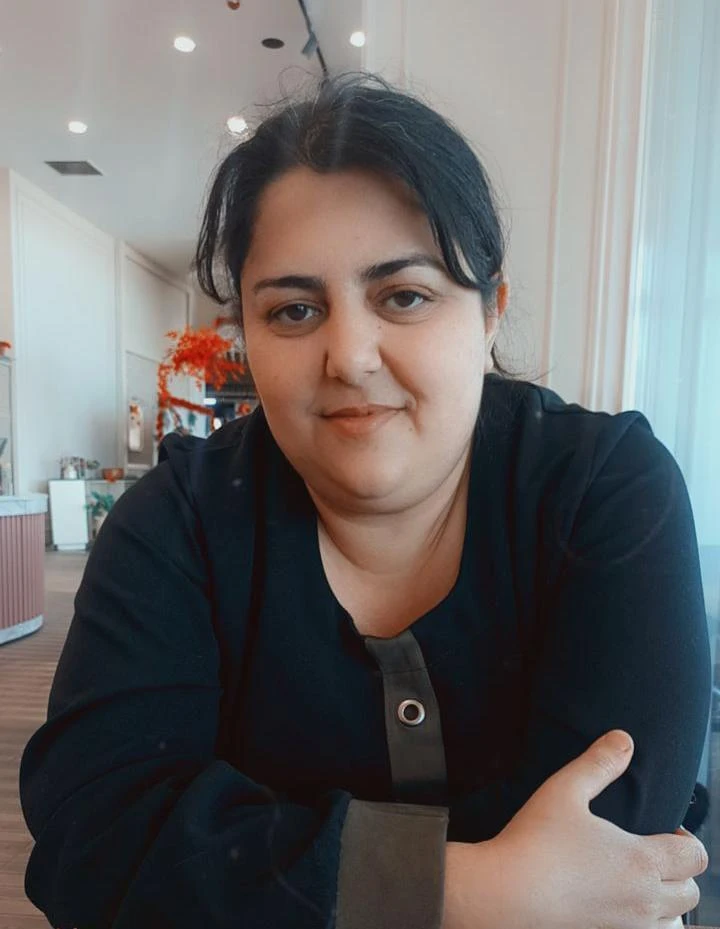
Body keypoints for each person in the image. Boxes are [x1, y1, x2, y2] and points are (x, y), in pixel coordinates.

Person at [19, 73, 711, 929]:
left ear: (489, 312)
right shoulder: (176, 522)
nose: (349, 355)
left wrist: (255, 869)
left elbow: (611, 850)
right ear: (247, 334)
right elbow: (95, 839)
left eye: (404, 296)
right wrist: (469, 888)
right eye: (294, 310)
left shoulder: (603, 487)